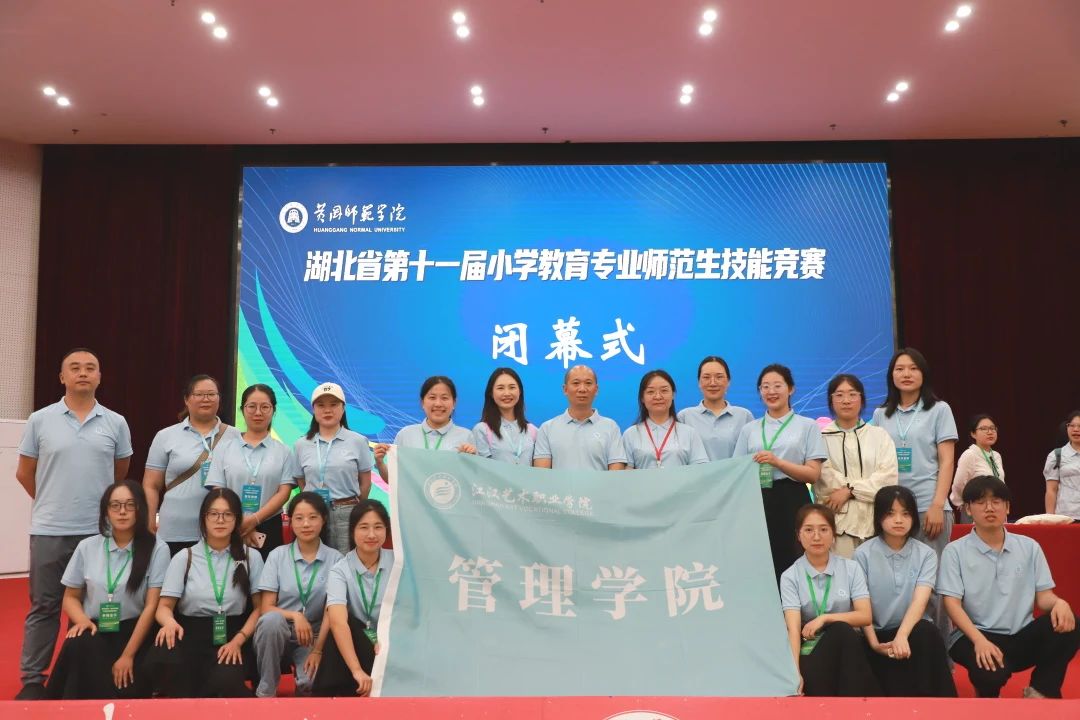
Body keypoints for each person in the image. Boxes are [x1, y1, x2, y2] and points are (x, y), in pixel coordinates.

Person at [15, 348, 133, 700]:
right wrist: (53, 500)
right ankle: (33, 679)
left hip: (98, 532)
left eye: (90, 368)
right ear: (62, 377)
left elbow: (119, 474)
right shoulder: (40, 420)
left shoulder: (116, 422)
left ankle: (81, 675)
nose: (83, 373)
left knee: (92, 606)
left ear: (99, 377)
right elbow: (25, 472)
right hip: (49, 530)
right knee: (45, 606)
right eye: (75, 368)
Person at [940, 475, 1080, 698]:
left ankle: (1041, 690)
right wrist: (979, 641)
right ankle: (986, 693)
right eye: (980, 502)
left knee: (1070, 623)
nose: (989, 508)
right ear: (967, 509)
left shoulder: (1029, 547)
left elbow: (1044, 598)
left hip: (1021, 635)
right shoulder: (955, 551)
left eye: (996, 501)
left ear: (1007, 507)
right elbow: (952, 604)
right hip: (975, 634)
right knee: (991, 675)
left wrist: (1059, 603)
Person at [46, 481, 171, 699]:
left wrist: (127, 656)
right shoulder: (87, 547)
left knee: (126, 689)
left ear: (140, 509)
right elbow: (70, 597)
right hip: (96, 630)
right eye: (115, 505)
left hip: (134, 634)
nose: (122, 511)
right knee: (78, 642)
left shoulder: (157, 548)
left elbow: (151, 607)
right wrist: (83, 621)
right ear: (106, 511)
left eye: (129, 505)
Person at [871, 348, 957, 636]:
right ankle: (904, 646)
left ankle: (940, 651)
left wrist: (937, 504)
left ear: (923, 374)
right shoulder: (880, 414)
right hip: (891, 510)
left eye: (913, 368)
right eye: (899, 369)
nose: (906, 374)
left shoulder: (939, 410)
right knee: (898, 584)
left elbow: (947, 461)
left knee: (934, 583)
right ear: (891, 375)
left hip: (928, 506)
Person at [151, 488, 264, 697]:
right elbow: (163, 607)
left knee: (227, 684)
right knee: (178, 682)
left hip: (231, 638)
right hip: (190, 636)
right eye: (214, 514)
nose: (220, 520)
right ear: (204, 518)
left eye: (227, 514)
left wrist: (238, 640)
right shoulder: (185, 557)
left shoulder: (252, 557)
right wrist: (169, 622)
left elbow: (260, 609)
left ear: (237, 519)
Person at [854, 486, 956, 697]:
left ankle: (942, 708)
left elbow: (920, 601)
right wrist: (874, 644)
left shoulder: (926, 554)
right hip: (876, 634)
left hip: (912, 632)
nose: (898, 520)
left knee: (928, 632)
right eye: (890, 513)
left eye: (906, 513)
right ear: (879, 517)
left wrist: (902, 635)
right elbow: (861, 604)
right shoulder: (862, 554)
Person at [734, 364, 827, 582]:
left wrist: (778, 462)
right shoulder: (749, 429)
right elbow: (737, 470)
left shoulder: (807, 426)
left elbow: (813, 474)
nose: (771, 391)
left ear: (791, 389)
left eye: (777, 385)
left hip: (793, 498)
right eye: (765, 387)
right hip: (758, 500)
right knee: (761, 561)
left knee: (794, 558)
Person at [780, 504, 878, 697]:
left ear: (833, 534)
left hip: (847, 645)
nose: (816, 537)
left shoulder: (851, 568)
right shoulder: (790, 576)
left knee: (842, 631)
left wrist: (825, 618)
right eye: (809, 530)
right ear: (798, 535)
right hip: (811, 648)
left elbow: (865, 616)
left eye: (824, 529)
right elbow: (793, 629)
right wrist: (795, 673)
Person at [253, 492, 343, 697]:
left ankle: (303, 683)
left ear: (324, 519)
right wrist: (296, 616)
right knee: (270, 621)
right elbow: (266, 608)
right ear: (290, 520)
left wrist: (318, 650)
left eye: (313, 517)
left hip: (314, 636)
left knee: (310, 685)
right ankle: (266, 689)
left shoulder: (336, 559)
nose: (306, 524)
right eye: (299, 518)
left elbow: (332, 610)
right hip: (280, 631)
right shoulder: (277, 555)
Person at [143, 374, 239, 556]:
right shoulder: (165, 436)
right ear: (186, 399)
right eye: (199, 394)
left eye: (211, 394)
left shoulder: (236, 436)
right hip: (174, 529)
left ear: (219, 398)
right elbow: (151, 485)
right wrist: (148, 523)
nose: (206, 399)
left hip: (221, 529)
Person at [312, 499, 394, 697]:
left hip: (393, 642)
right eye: (364, 527)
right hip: (360, 642)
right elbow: (338, 622)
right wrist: (357, 670)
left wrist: (387, 640)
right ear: (352, 531)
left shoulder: (398, 562)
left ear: (387, 530)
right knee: (343, 623)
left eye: (378, 527)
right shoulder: (340, 570)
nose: (371, 534)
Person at [205, 384, 298, 558]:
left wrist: (255, 519)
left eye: (265, 407)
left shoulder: (284, 451)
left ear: (274, 411)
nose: (258, 412)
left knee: (267, 573)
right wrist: (239, 520)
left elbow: (284, 493)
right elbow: (218, 490)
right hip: (229, 524)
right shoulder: (224, 449)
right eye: (252, 406)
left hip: (269, 525)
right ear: (242, 410)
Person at [817, 374, 898, 558]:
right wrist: (858, 490)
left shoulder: (879, 436)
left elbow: (888, 479)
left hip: (877, 525)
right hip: (838, 527)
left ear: (862, 399)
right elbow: (825, 481)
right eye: (839, 395)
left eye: (852, 394)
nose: (846, 400)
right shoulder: (820, 438)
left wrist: (849, 491)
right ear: (831, 400)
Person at [293, 382, 373, 554]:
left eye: (334, 404)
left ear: (343, 408)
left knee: (346, 561)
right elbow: (301, 481)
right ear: (313, 409)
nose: (327, 410)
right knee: (315, 559)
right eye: (321, 405)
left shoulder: (358, 441)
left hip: (347, 511)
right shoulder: (301, 444)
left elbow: (366, 482)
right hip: (313, 513)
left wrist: (354, 507)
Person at [374, 376, 476, 478]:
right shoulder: (405, 435)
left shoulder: (466, 436)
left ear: (454, 403)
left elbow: (473, 480)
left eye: (444, 398)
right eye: (432, 397)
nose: (438, 404)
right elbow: (393, 479)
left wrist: (471, 461)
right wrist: (380, 462)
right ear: (422, 402)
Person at [533, 365, 627, 471]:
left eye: (588, 383)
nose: (582, 389)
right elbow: (542, 474)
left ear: (596, 389)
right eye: (576, 383)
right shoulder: (547, 428)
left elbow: (616, 474)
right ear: (565, 389)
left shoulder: (610, 427)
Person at [622, 369, 708, 468]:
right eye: (650, 392)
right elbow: (626, 473)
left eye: (664, 390)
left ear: (673, 394)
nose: (658, 396)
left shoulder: (689, 433)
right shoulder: (631, 434)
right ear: (642, 398)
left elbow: (700, 471)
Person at [677, 355, 753, 461]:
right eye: (706, 377)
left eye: (719, 377)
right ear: (699, 382)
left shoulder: (744, 416)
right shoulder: (685, 417)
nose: (712, 383)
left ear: (728, 381)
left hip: (734, 472)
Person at [471, 367, 537, 465]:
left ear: (520, 391)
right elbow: (481, 469)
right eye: (500, 388)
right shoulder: (482, 430)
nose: (507, 393)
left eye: (512, 387)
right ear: (491, 393)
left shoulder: (533, 431)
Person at [950, 414, 1005, 522]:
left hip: (996, 509)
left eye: (992, 428)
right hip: (975, 510)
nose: (990, 432)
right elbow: (958, 484)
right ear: (973, 434)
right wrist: (963, 502)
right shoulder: (970, 454)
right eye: (984, 429)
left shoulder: (996, 455)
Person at [1043, 410, 1080, 520]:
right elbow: (1051, 490)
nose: (1076, 429)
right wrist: (1050, 518)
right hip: (1066, 517)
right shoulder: (1056, 455)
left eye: (1079, 426)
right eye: (1071, 425)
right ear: (1067, 428)